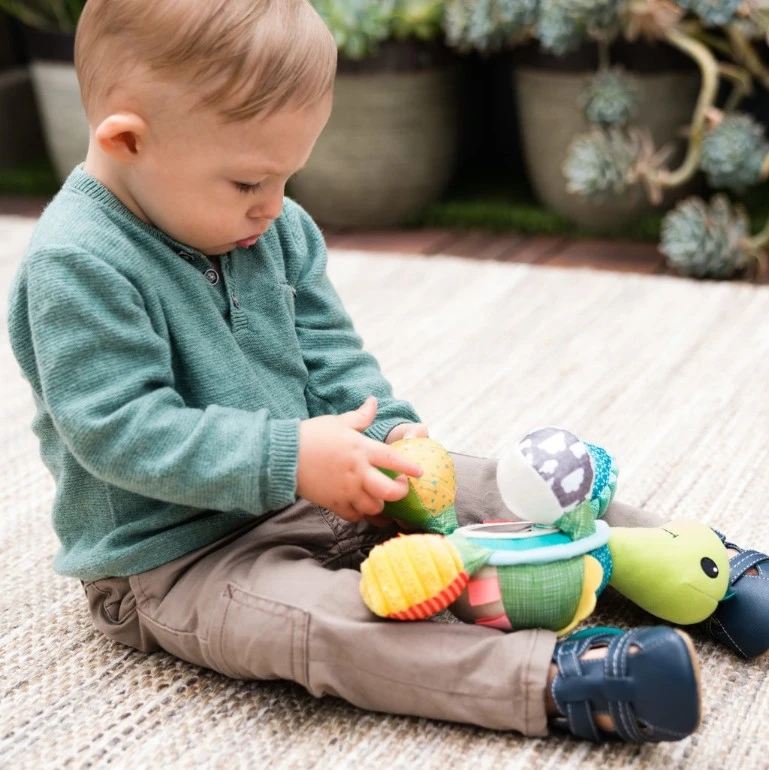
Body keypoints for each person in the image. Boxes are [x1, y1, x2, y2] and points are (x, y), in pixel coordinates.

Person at [7, 0, 768, 745]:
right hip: (180, 558)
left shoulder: (273, 226)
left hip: (319, 480)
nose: (274, 207)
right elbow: (121, 431)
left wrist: (393, 433)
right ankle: (556, 679)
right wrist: (291, 459)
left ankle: (697, 566)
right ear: (128, 141)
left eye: (288, 177)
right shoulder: (76, 265)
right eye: (247, 183)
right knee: (323, 625)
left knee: (501, 484)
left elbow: (329, 353)